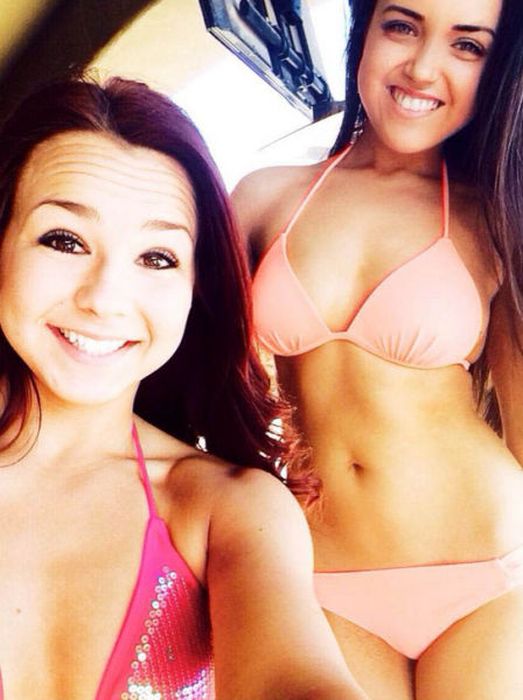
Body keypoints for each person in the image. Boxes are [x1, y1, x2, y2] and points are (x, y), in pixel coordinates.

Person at [0, 77, 368, 700]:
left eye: (157, 258)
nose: (105, 299)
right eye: (65, 240)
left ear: (197, 289)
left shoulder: (229, 510)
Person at [232, 0, 523, 697]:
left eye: (467, 46)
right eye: (401, 26)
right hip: (321, 579)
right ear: (361, 33)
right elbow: (194, 380)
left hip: (486, 574)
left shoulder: (495, 213)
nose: (421, 67)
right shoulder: (262, 197)